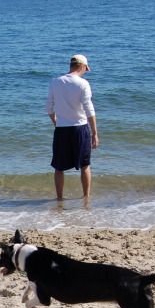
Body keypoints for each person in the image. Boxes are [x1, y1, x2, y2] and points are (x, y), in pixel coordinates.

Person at [46, 54, 99, 201]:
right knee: (85, 165)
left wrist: (56, 122)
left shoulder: (55, 82)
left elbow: (49, 108)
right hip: (80, 128)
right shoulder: (83, 84)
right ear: (82, 66)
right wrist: (95, 133)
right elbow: (89, 109)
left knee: (59, 167)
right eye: (86, 68)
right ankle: (86, 197)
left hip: (62, 129)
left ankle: (59, 199)